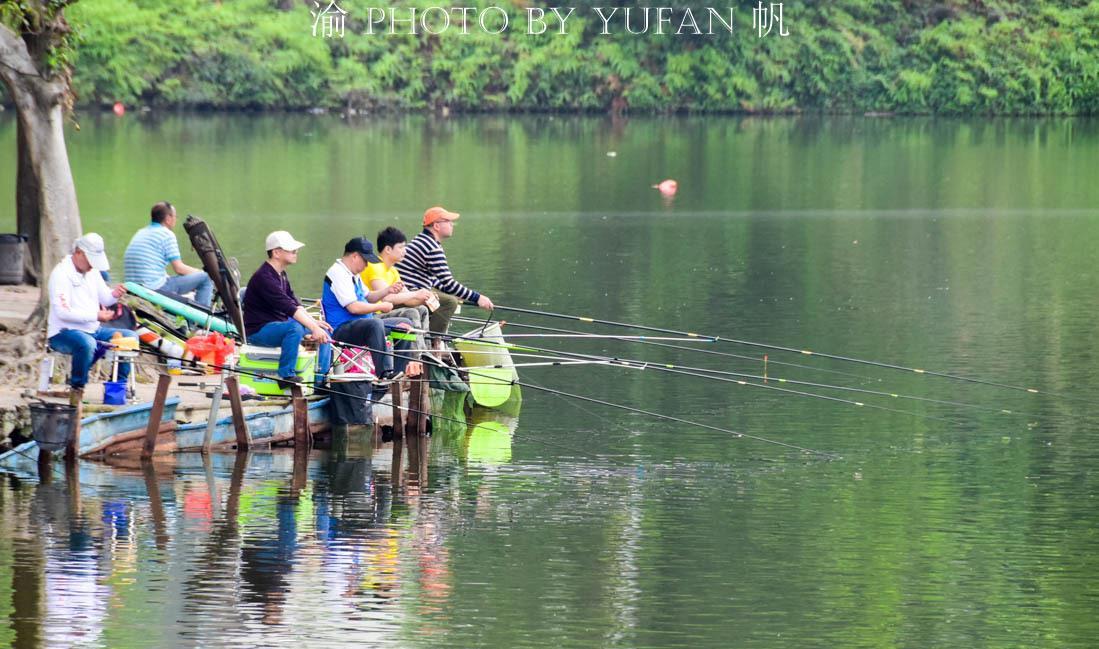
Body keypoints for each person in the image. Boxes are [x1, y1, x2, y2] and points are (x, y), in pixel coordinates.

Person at [242, 231, 331, 388]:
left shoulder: (281, 274)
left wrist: (316, 324)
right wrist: (313, 327)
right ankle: (286, 375)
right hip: (258, 331)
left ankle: (319, 380)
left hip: (278, 326)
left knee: (324, 333)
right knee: (294, 328)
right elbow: (289, 308)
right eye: (291, 250)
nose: (296, 252)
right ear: (276, 252)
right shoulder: (264, 277)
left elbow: (295, 304)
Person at [47, 234, 135, 391]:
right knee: (87, 343)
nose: (93, 265)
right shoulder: (60, 274)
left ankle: (118, 387)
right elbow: (62, 312)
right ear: (79, 253)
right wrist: (96, 315)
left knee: (130, 337)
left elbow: (106, 299)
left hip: (93, 330)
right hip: (63, 332)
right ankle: (77, 387)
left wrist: (115, 294)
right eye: (90, 260)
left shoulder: (92, 272)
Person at [322, 237, 413, 380]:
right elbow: (353, 308)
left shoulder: (354, 274)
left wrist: (387, 290)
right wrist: (380, 306)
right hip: (341, 329)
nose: (367, 265)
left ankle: (400, 372)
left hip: (363, 324)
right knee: (375, 324)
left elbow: (369, 296)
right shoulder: (338, 273)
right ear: (355, 256)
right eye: (366, 261)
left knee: (405, 324)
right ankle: (384, 374)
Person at [395, 206, 494, 336]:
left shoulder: (423, 240)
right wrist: (478, 298)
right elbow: (448, 283)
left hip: (412, 291)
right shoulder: (431, 246)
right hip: (408, 294)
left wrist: (460, 294)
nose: (452, 224)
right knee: (449, 302)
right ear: (436, 226)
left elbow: (436, 280)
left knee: (449, 297)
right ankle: (431, 341)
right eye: (448, 221)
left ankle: (432, 339)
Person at [124, 201, 215, 307]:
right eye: (175, 216)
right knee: (206, 278)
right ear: (168, 218)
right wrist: (199, 272)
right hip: (153, 289)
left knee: (190, 280)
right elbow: (179, 269)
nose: (176, 219)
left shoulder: (140, 232)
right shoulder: (166, 234)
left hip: (134, 288)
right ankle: (203, 319)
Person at [362, 226, 433, 351]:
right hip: (371, 315)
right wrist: (416, 293)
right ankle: (416, 357)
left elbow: (408, 299)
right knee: (411, 313)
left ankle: (427, 352)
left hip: (384, 313)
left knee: (422, 309)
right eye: (401, 247)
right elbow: (387, 298)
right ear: (388, 249)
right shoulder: (374, 266)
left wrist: (424, 297)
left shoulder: (393, 271)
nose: (404, 251)